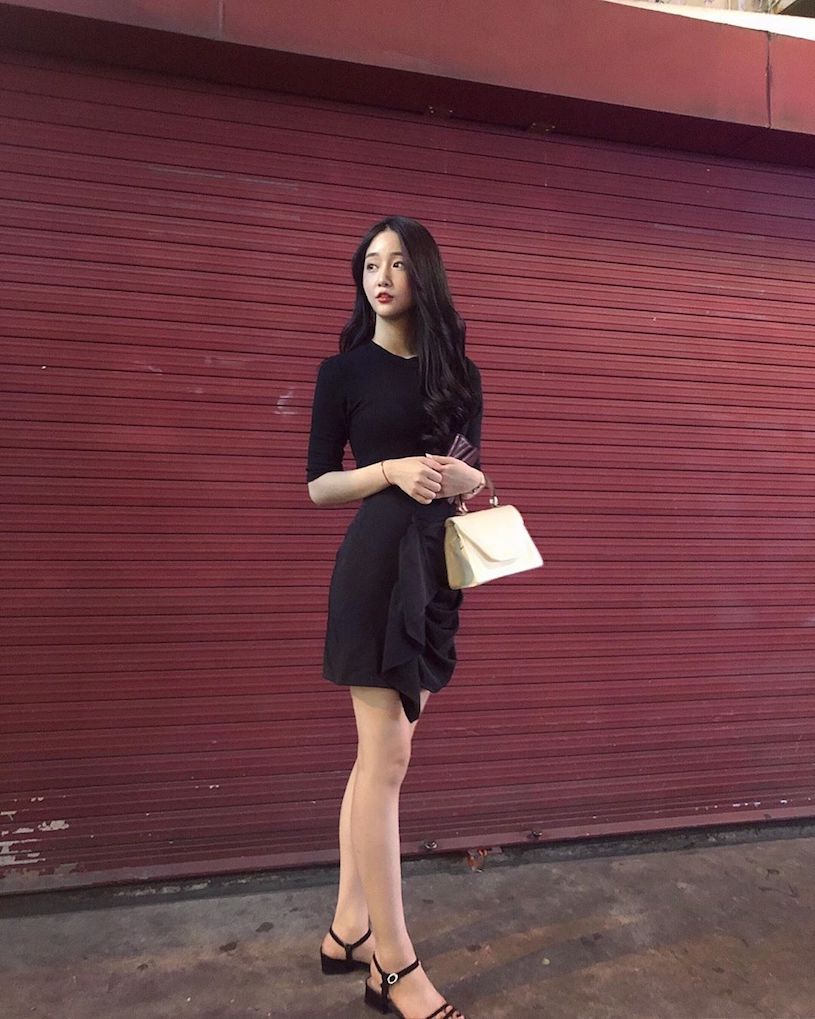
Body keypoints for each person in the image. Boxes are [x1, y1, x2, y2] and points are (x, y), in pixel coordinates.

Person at [306, 216, 485, 1019]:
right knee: (387, 762)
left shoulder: (460, 373)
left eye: (398, 263)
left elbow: (472, 472)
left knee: (376, 760)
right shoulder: (342, 371)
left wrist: (464, 480)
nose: (381, 276)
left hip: (434, 572)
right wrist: (389, 469)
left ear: (425, 276)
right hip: (375, 570)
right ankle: (393, 962)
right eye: (371, 263)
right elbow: (318, 483)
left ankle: (347, 927)